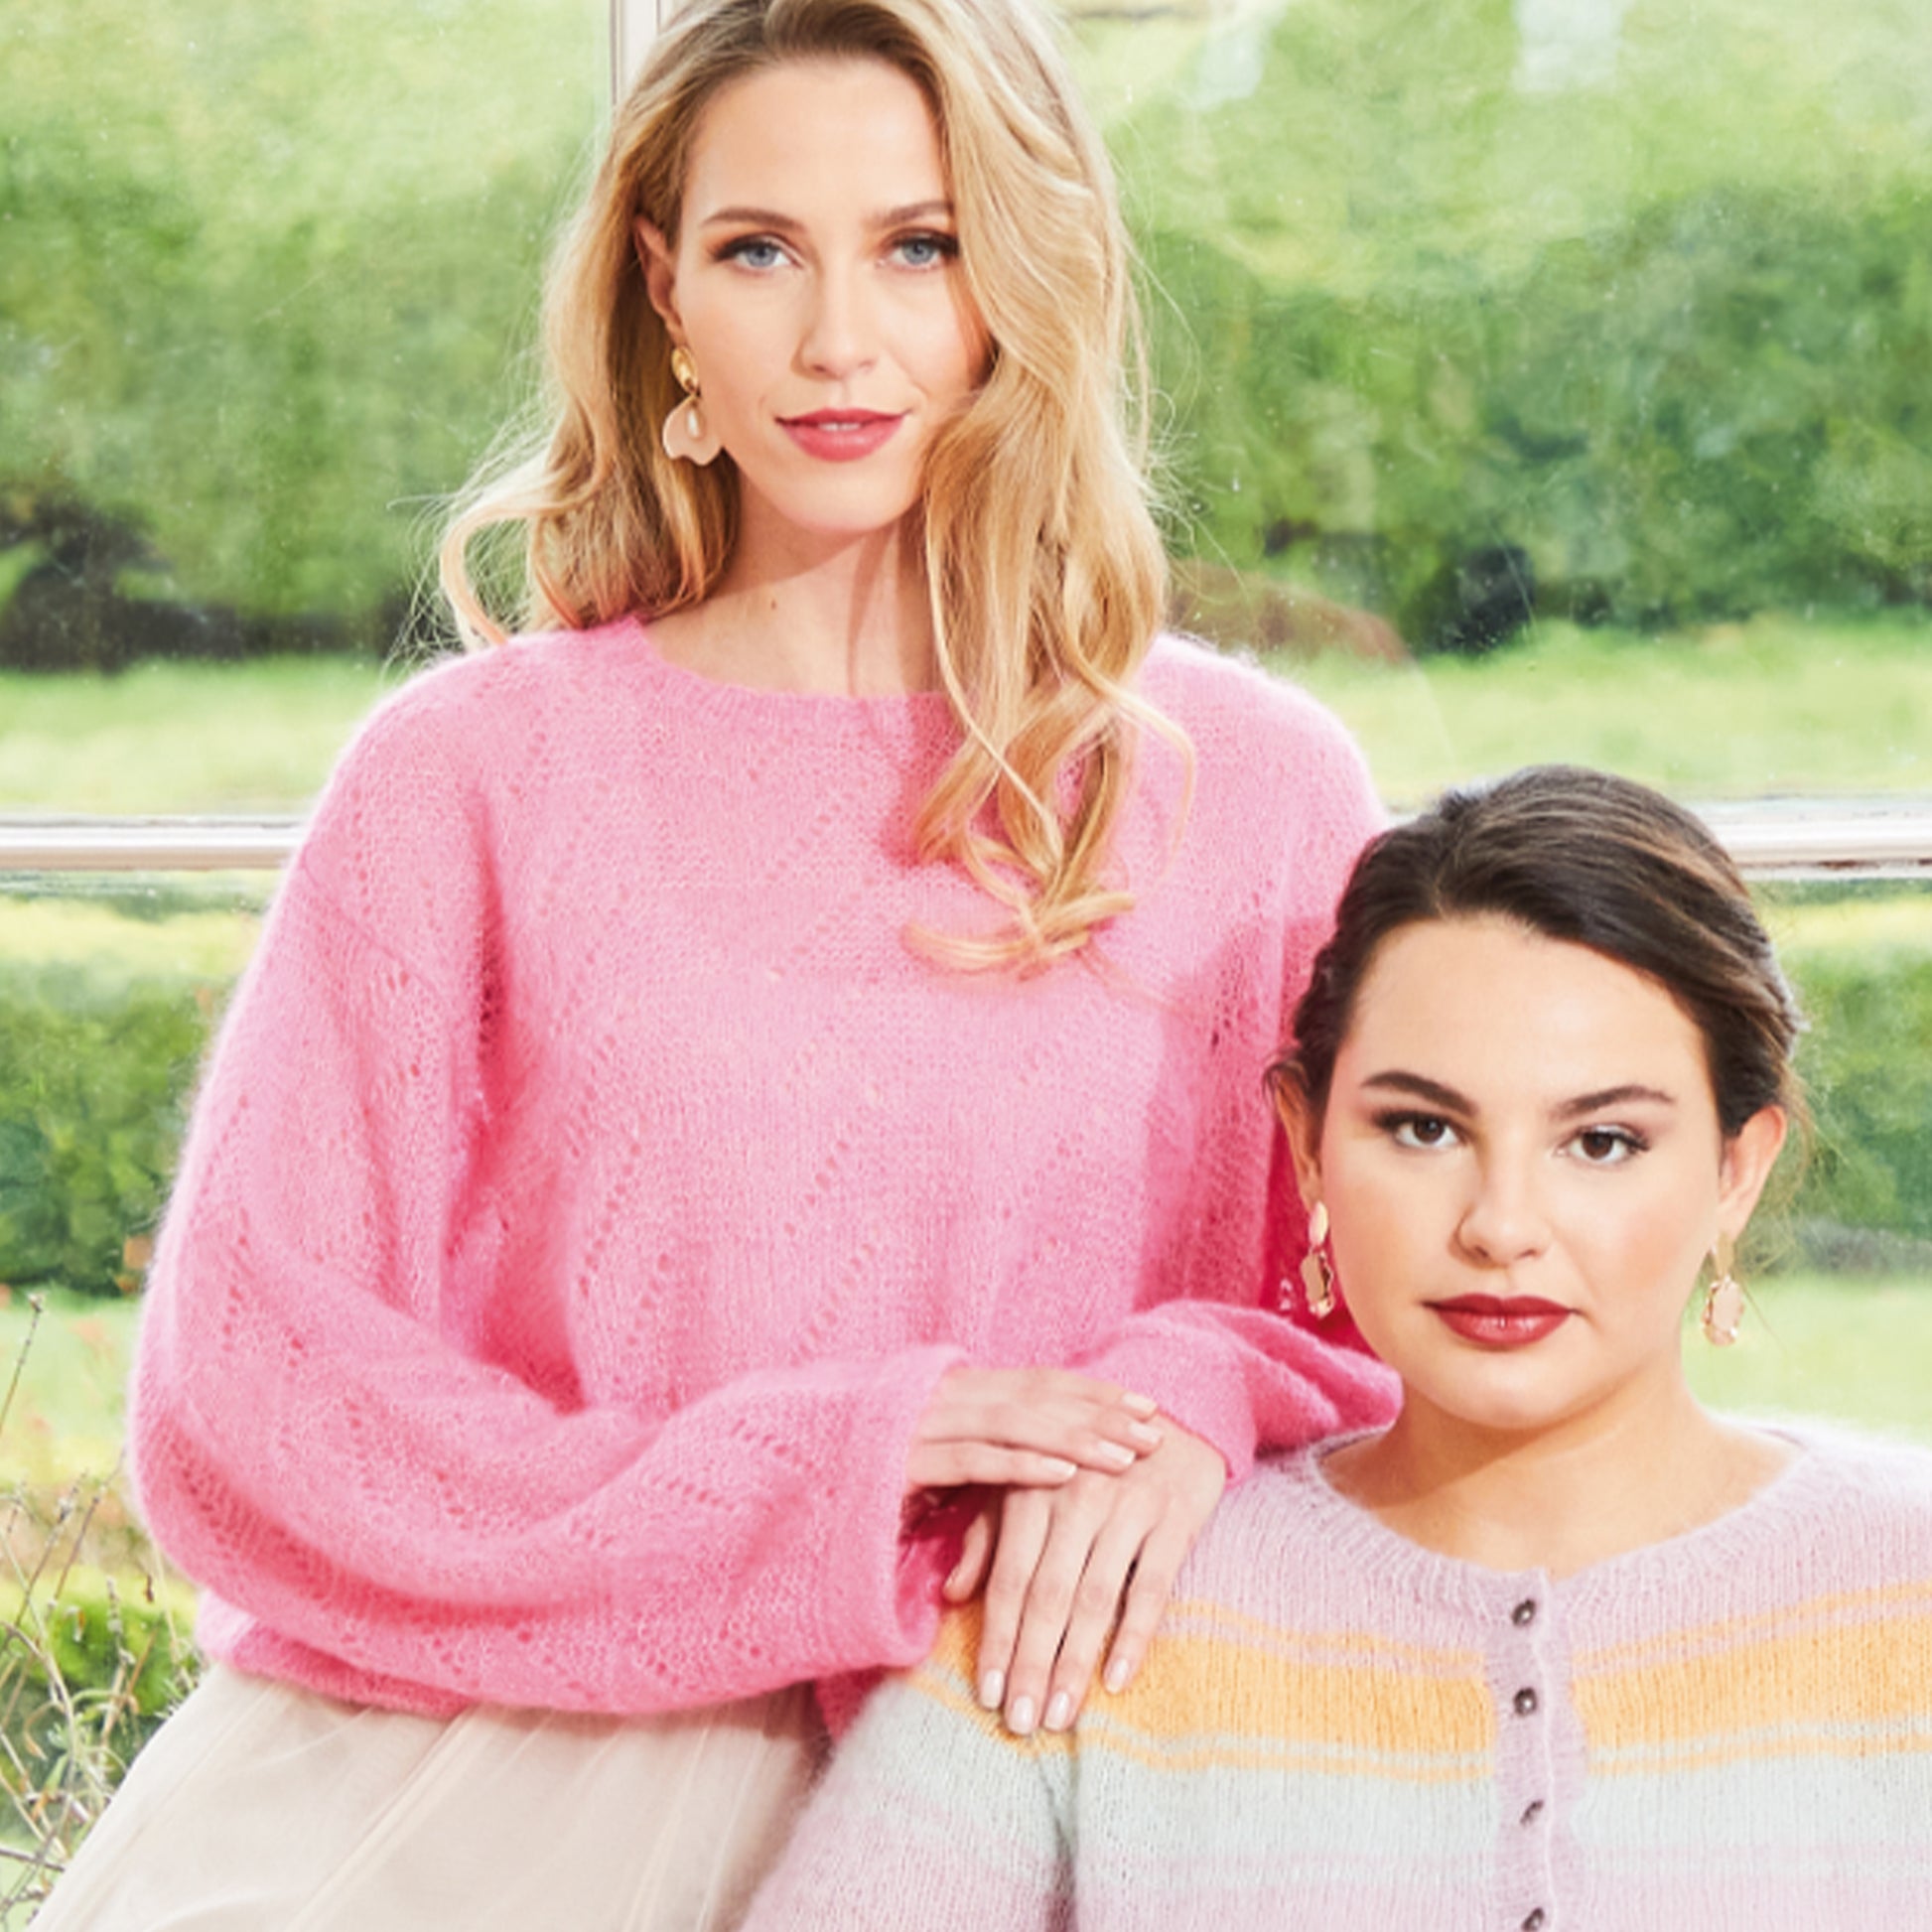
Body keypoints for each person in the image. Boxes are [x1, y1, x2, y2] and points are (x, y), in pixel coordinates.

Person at [34, 1, 1398, 1925]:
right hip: (512, 1800)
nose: (838, 339)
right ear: (664, 290)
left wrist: (1189, 1387)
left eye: (918, 245)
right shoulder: (468, 778)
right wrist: (825, 1469)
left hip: (1070, 1794)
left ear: (1022, 275)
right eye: (762, 250)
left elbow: (1411, 1326)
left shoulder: (1252, 790)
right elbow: (251, 1400)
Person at [743, 764, 1932, 1932]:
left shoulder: (1905, 1587)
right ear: (1307, 1145)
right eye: (1421, 1127)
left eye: (1601, 1141)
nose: (1499, 1224)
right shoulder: (1088, 1600)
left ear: (1734, 1170)